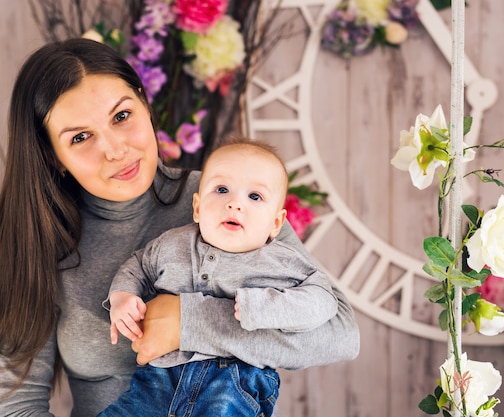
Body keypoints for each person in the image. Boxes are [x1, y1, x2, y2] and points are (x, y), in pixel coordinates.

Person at [0, 37, 360, 417]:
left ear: (145, 106)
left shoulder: (228, 198)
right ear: (52, 155)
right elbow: (12, 406)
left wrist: (188, 322)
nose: (116, 149)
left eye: (122, 116)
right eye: (80, 137)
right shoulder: (40, 241)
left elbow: (340, 336)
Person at [99, 138, 339, 417]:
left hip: (235, 382)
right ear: (198, 207)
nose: (235, 203)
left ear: (276, 223)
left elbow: (323, 299)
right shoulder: (171, 245)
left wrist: (268, 307)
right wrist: (122, 296)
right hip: (160, 380)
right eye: (222, 190)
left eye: (255, 196)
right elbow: (138, 265)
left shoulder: (281, 260)